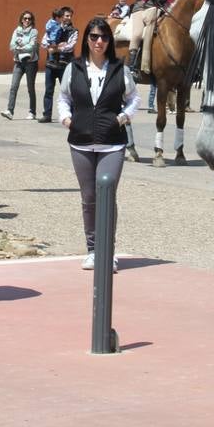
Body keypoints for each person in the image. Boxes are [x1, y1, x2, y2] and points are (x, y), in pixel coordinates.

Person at [56, 17, 139, 272]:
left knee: (106, 196)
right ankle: (92, 250)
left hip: (112, 144)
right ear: (86, 40)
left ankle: (107, 251)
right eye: (93, 36)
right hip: (80, 143)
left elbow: (133, 97)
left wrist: (123, 117)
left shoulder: (119, 69)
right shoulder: (74, 68)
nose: (99, 41)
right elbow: (64, 98)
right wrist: (67, 119)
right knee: (89, 198)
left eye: (103, 37)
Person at [38, 7, 77, 124]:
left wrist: (55, 49)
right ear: (61, 17)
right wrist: (59, 46)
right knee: (48, 91)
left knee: (67, 91)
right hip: (50, 64)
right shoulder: (52, 27)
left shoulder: (74, 31)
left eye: (70, 16)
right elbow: (44, 43)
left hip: (64, 66)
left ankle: (72, 115)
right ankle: (47, 115)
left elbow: (70, 47)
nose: (68, 18)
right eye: (66, 16)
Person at [1, 10, 38, 121]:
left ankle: (32, 112)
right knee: (13, 87)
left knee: (30, 88)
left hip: (30, 63)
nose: (27, 20)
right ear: (21, 20)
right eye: (25, 18)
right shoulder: (16, 31)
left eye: (29, 19)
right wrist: (22, 47)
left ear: (32, 21)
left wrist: (19, 47)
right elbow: (11, 46)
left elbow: (32, 47)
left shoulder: (34, 32)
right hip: (18, 62)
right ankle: (10, 111)